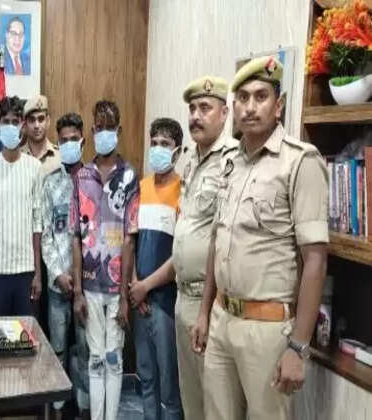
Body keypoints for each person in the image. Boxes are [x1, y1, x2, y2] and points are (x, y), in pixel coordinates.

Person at [191, 56, 329, 420]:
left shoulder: (300, 162)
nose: (250, 107)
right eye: (243, 98)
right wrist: (204, 312)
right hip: (222, 318)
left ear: (278, 105)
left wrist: (298, 347)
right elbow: (217, 240)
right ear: (233, 107)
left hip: (267, 330)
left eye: (261, 96)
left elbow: (315, 260)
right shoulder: (230, 163)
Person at [171, 75, 237, 420]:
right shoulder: (191, 159)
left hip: (207, 303)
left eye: (205, 108)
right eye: (193, 108)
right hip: (183, 296)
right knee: (191, 401)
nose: (196, 116)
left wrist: (205, 311)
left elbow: (220, 240)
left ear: (224, 113)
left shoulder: (233, 160)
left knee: (215, 404)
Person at [72, 100, 138, 420]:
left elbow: (129, 238)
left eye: (110, 128)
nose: (104, 133)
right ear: (92, 130)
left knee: (114, 359)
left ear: (119, 130)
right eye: (99, 128)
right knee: (95, 360)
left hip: (116, 289)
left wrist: (125, 296)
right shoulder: (81, 176)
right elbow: (75, 236)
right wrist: (77, 293)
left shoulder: (130, 177)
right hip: (89, 287)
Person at [128, 118, 183, 420]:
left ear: (178, 151)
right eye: (154, 143)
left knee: (169, 387)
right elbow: (132, 242)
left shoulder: (183, 191)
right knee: (146, 378)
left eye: (165, 144)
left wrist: (145, 287)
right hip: (140, 302)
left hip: (166, 302)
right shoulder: (141, 188)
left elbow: (181, 256)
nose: (158, 149)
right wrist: (135, 285)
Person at [42, 112, 89, 418]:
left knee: (86, 352)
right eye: (64, 140)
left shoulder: (94, 181)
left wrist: (81, 278)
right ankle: (57, 412)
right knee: (57, 350)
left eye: (74, 139)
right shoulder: (50, 184)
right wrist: (59, 273)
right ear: (57, 144)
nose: (69, 144)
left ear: (83, 142)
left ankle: (84, 410)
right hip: (58, 285)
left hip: (89, 286)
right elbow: (46, 234)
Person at [0, 96, 42, 316]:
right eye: (6, 121)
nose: (11, 126)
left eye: (16, 121)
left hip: (26, 270)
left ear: (23, 125)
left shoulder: (34, 167)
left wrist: (38, 274)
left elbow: (37, 221)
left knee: (25, 333)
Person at [21, 95, 59, 168]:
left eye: (41, 119)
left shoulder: (60, 157)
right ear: (25, 124)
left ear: (48, 121)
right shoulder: (18, 157)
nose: (36, 126)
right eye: (32, 120)